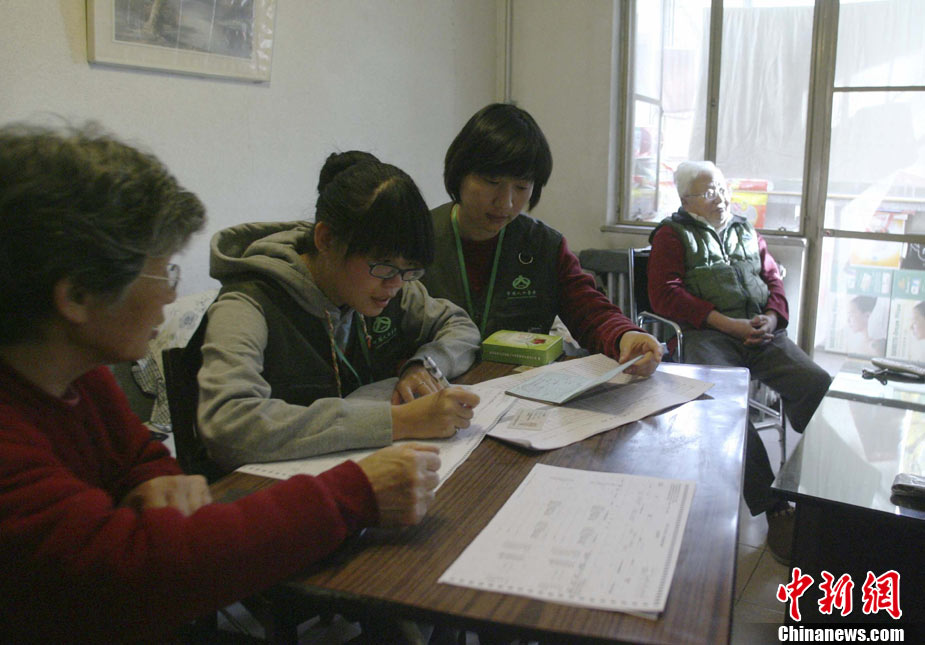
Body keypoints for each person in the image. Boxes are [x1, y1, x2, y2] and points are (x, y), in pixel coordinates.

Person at [0, 123, 442, 642]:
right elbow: (134, 571)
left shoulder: (80, 375)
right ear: (76, 296)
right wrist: (354, 492)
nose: (172, 296)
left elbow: (135, 455)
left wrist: (148, 480)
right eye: (163, 272)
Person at [197, 151, 482, 471]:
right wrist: (399, 421)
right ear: (326, 239)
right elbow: (227, 424)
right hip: (271, 486)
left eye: (410, 269)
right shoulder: (248, 303)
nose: (396, 284)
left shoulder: (392, 284)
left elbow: (459, 325)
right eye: (383, 265)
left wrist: (425, 366)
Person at [647, 159, 832, 564]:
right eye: (708, 192)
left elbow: (773, 281)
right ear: (686, 200)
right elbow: (665, 295)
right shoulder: (671, 235)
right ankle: (773, 507)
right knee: (729, 407)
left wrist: (773, 318)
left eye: (722, 188)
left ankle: (813, 489)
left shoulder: (746, 229)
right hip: (708, 335)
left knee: (816, 383)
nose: (720, 197)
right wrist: (727, 324)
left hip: (760, 334)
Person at [422, 103, 661, 376]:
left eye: (521, 187)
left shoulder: (544, 245)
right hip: (435, 387)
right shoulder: (418, 237)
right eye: (492, 181)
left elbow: (587, 308)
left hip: (518, 390)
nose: (506, 202)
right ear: (459, 173)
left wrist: (625, 335)